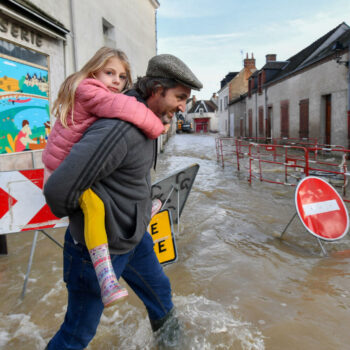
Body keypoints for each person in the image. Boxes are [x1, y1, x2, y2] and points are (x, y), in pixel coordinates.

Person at [44, 53, 202, 349]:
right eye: (180, 97)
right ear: (156, 90)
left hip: (135, 238)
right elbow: (58, 191)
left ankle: (173, 345)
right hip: (98, 248)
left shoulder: (146, 119)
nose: (183, 107)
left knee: (160, 295)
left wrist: (134, 211)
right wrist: (97, 220)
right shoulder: (121, 129)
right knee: (77, 334)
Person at [42, 47, 165, 308]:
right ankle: (105, 276)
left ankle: (141, 213)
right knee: (95, 207)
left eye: (121, 77)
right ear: (93, 70)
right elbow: (123, 106)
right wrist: (156, 127)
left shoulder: (92, 92)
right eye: (109, 73)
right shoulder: (90, 91)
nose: (116, 82)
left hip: (66, 163)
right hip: (60, 168)